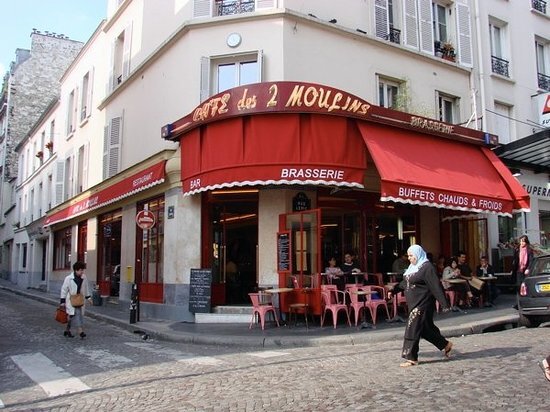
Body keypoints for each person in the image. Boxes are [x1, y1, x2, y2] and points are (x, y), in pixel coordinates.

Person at [387, 245, 453, 367]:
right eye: (409, 256)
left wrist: (444, 304)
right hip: (414, 303)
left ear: (418, 254)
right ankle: (445, 344)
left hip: (423, 303)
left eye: (412, 255)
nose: (409, 258)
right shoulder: (413, 267)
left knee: (412, 326)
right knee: (424, 330)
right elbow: (405, 282)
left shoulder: (427, 267)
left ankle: (411, 357)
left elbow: (435, 285)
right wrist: (394, 290)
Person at [59, 261, 92, 339]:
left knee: (72, 316)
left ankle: (67, 330)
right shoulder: (68, 278)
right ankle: (80, 331)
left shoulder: (84, 277)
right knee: (77, 314)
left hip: (80, 299)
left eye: (82, 270)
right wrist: (62, 301)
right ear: (76, 270)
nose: (82, 272)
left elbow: (86, 288)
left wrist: (89, 298)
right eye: (81, 270)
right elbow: (64, 289)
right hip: (71, 300)